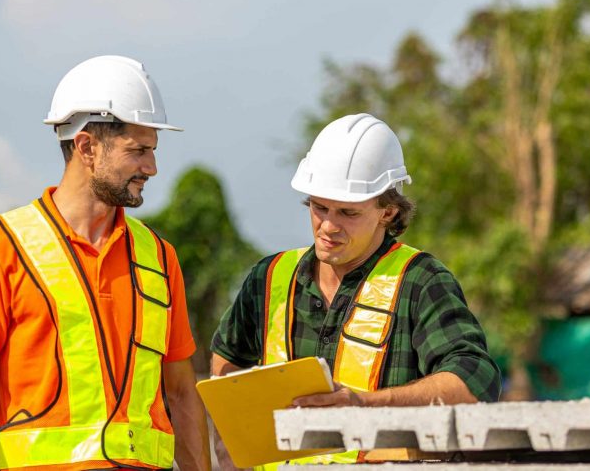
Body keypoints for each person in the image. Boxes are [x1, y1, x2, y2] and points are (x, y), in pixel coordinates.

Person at [0, 55, 211, 470]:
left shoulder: (158, 257)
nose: (152, 167)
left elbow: (182, 394)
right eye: (138, 151)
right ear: (87, 146)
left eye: (153, 151)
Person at [210, 113, 501, 468]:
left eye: (348, 212)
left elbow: (474, 382)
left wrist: (363, 406)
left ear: (388, 212)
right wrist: (229, 441)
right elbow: (228, 358)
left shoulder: (420, 281)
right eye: (319, 208)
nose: (328, 226)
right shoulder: (269, 277)